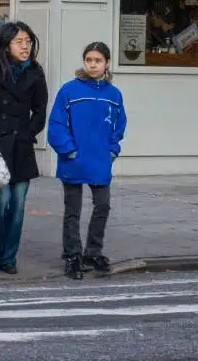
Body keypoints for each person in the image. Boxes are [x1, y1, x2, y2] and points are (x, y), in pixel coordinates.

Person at [0, 21, 48, 275]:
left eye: (28, 41)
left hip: (22, 147)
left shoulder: (35, 73)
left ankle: (9, 257)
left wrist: (28, 132)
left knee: (18, 205)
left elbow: (39, 111)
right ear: (6, 46)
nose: (25, 46)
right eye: (19, 42)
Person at [48, 42, 127, 280]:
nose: (92, 65)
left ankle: (93, 251)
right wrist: (68, 150)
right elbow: (57, 123)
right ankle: (72, 255)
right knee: (73, 210)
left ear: (107, 63)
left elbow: (119, 125)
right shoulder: (69, 90)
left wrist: (113, 149)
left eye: (98, 60)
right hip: (74, 159)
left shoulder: (114, 94)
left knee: (102, 205)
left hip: (100, 159)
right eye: (89, 60)